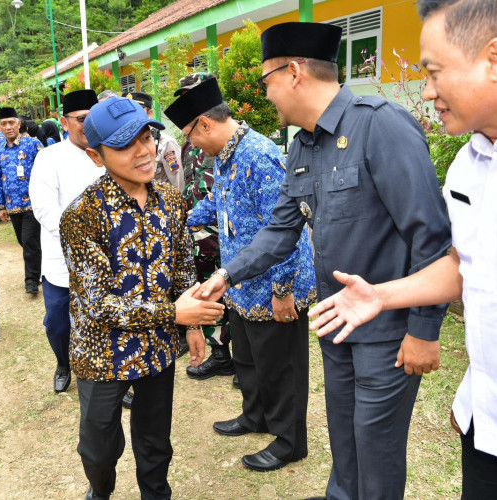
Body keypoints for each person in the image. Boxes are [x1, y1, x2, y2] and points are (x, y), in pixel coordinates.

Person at [197, 22, 452, 498]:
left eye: (267, 80)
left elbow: (431, 237)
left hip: (388, 334)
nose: (266, 95)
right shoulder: (302, 145)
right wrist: (225, 275)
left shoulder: (381, 125)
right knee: (345, 436)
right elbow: (279, 231)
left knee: (376, 448)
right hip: (336, 325)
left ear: (293, 72)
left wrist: (424, 331)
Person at [308, 1, 497, 498]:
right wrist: (384, 295)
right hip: (490, 423)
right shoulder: (469, 165)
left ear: (496, 58)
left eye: (434, 72)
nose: (428, 91)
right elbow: (463, 264)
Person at [59, 96, 225, 500]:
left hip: (156, 348)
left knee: (155, 443)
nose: (143, 151)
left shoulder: (169, 201)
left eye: (145, 137)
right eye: (124, 144)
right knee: (98, 448)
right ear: (97, 157)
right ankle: (100, 492)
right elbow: (99, 304)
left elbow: (183, 265)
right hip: (102, 353)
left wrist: (193, 324)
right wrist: (175, 313)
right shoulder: (82, 215)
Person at [165, 77, 316, 473]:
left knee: (281, 367)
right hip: (239, 284)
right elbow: (218, 204)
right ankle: (256, 416)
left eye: (190, 136)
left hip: (272, 288)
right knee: (248, 359)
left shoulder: (259, 155)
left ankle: (289, 441)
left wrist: (283, 289)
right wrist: (175, 221)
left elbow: (284, 229)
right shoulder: (226, 156)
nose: (191, 145)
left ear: (205, 125)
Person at [29, 89, 102, 393]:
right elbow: (44, 208)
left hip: (106, 256)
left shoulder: (109, 151)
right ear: (64, 121)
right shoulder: (49, 157)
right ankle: (63, 362)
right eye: (82, 119)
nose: (88, 125)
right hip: (63, 257)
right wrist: (80, 239)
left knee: (103, 319)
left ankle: (104, 373)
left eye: (93, 118)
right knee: (58, 322)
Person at [175, 73, 236, 383]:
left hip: (223, 234)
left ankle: (240, 356)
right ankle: (222, 353)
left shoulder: (229, 141)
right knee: (210, 292)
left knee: (232, 289)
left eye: (190, 95)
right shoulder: (190, 144)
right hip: (198, 231)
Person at [0, 107, 44, 294]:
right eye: (3, 124)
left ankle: (31, 280)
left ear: (18, 123)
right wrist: (0, 206)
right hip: (12, 206)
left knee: (29, 241)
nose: (8, 127)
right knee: (25, 243)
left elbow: (46, 171)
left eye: (11, 123)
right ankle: (42, 269)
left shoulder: (33, 145)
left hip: (33, 203)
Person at [124, 92, 184, 192]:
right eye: (128, 112)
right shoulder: (124, 143)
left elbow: (179, 184)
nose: (133, 116)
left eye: (138, 110)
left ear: (150, 114)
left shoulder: (166, 143)